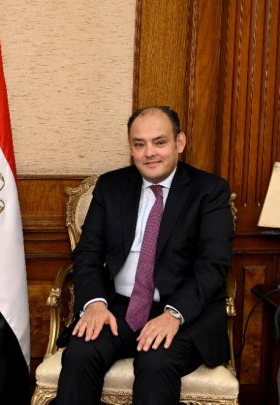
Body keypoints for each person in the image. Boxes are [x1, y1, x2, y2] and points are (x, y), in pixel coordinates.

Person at [56, 106, 234, 405]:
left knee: (155, 362)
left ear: (179, 143)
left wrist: (174, 314)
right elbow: (88, 253)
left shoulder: (209, 190)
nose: (149, 152)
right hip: (118, 307)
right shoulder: (111, 187)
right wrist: (95, 304)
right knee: (80, 353)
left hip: (183, 313)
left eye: (159, 142)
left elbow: (213, 265)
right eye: (139, 144)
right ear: (130, 148)